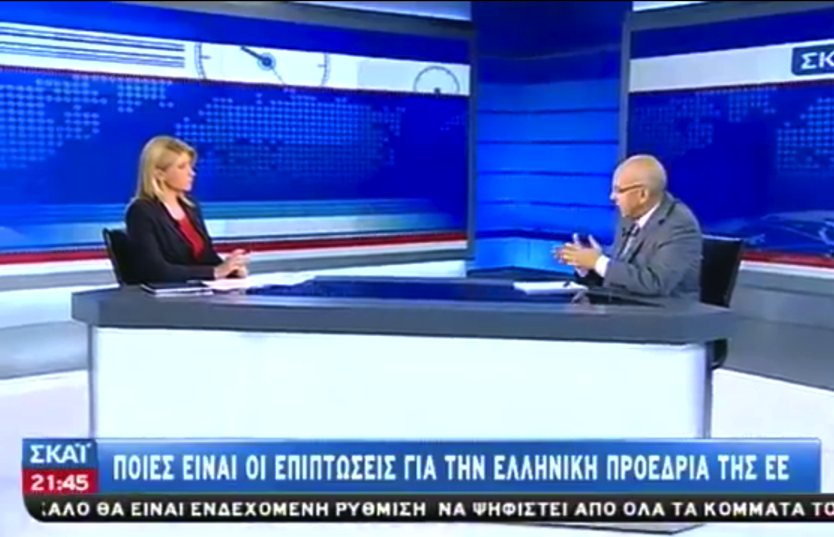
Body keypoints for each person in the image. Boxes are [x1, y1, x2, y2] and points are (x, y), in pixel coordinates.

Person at [554, 154, 702, 299]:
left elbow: (655, 283)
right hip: (623, 308)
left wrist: (598, 262)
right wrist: (587, 266)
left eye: (618, 190)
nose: (612, 197)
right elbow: (621, 279)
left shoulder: (679, 225)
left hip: (666, 312)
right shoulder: (629, 217)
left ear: (643, 195)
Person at [125, 135, 248, 283]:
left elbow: (207, 258)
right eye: (182, 167)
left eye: (190, 166)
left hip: (199, 291)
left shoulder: (191, 207)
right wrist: (215, 272)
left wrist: (231, 268)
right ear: (159, 174)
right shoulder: (141, 211)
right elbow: (155, 271)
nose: (191, 173)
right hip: (168, 295)